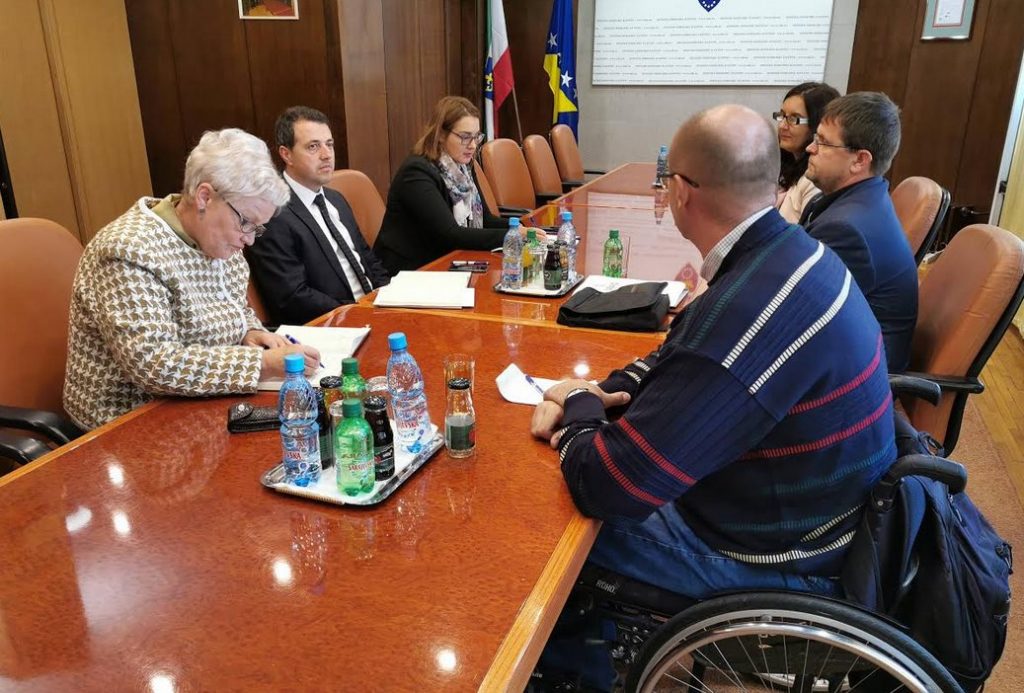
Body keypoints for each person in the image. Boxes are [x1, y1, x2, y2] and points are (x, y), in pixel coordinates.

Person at [530, 105, 896, 688]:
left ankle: (572, 672)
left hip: (782, 559)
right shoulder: (791, 253)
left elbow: (611, 485)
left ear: (679, 191)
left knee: (549, 523)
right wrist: (608, 388)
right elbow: (684, 350)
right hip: (833, 522)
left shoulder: (747, 305)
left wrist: (577, 410)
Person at [63, 128, 320, 430]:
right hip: (128, 421)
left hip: (205, 404)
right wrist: (264, 364)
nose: (249, 239)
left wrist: (249, 331)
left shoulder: (220, 237)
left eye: (257, 228)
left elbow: (234, 305)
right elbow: (155, 364)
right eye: (246, 222)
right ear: (204, 197)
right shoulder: (129, 250)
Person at [800, 91, 917, 372]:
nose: (810, 148)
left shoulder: (846, 230)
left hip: (857, 377)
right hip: (847, 354)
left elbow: (796, 313)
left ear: (859, 160)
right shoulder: (858, 200)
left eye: (822, 142)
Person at [247, 106, 390, 325]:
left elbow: (368, 260)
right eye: (313, 146)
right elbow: (292, 297)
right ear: (286, 154)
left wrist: (390, 298)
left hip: (376, 311)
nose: (326, 155)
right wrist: (357, 312)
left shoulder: (336, 200)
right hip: (333, 324)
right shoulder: (271, 213)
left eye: (329, 144)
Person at [373, 96, 511, 274]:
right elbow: (450, 234)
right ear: (441, 135)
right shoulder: (416, 173)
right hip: (411, 271)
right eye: (465, 137)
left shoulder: (464, 167)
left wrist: (521, 228)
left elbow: (486, 219)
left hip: (447, 261)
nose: (473, 145)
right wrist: (510, 236)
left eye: (476, 137)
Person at [774, 81, 840, 222]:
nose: (782, 125)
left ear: (818, 125)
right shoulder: (785, 166)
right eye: (782, 115)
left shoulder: (815, 179)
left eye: (794, 119)